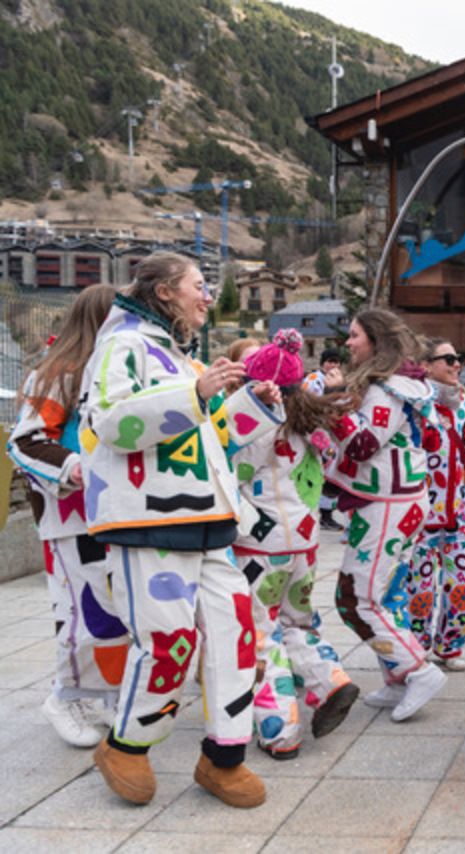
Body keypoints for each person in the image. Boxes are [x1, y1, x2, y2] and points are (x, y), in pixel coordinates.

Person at [80, 252, 285, 808]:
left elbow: (215, 438)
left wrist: (253, 403)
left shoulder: (183, 359)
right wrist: (196, 395)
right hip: (146, 523)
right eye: (199, 285)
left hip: (210, 523)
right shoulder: (121, 346)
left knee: (235, 638)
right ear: (166, 291)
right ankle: (126, 747)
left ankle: (224, 759)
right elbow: (110, 424)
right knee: (168, 645)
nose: (206, 296)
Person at [7, 284, 128, 749]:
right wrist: (75, 468)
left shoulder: (115, 372)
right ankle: (66, 695)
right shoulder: (58, 374)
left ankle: (106, 694)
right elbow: (23, 442)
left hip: (116, 516)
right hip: (72, 518)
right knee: (83, 613)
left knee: (114, 613)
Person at [230, 329, 360, 759]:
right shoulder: (309, 425)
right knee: (297, 623)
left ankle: (280, 729)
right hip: (303, 544)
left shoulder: (252, 427)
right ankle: (331, 680)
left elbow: (229, 473)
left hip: (259, 547)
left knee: (260, 635)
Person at [329, 309, 447, 722]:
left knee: (359, 599)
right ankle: (398, 676)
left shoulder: (389, 390)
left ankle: (418, 670)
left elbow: (362, 444)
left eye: (355, 336)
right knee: (360, 598)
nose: (348, 344)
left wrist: (331, 405)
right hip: (389, 502)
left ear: (376, 342)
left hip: (389, 505)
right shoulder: (399, 387)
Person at [401, 337, 465, 673]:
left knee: (464, 585)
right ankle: (417, 647)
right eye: (448, 359)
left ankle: (450, 645)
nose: (457, 365)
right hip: (421, 514)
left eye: (458, 358)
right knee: (420, 592)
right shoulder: (413, 403)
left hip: (460, 511)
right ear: (425, 366)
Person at [304, 347, 347, 532]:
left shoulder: (339, 380)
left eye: (336, 362)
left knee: (331, 471)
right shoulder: (313, 380)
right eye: (330, 361)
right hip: (319, 432)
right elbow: (308, 404)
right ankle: (323, 514)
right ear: (322, 363)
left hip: (333, 433)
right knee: (324, 472)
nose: (333, 365)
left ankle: (327, 513)